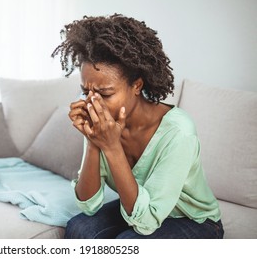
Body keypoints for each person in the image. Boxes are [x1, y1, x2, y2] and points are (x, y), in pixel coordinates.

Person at [51, 14, 224, 239]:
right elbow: (88, 205)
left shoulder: (178, 132)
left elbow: (147, 222)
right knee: (79, 227)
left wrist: (112, 148)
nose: (93, 102)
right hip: (138, 205)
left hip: (193, 220)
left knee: (127, 245)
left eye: (105, 93)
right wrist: (94, 141)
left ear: (137, 85)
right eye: (86, 92)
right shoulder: (101, 122)